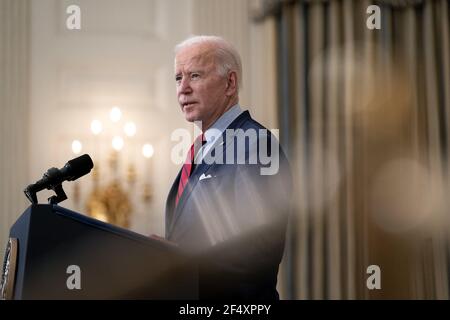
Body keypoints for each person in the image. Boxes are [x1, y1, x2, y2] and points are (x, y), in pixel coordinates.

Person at [165, 35, 292, 300]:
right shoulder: (202, 147)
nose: (183, 88)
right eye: (178, 78)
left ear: (230, 83)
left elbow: (256, 251)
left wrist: (176, 258)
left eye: (195, 76)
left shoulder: (256, 145)